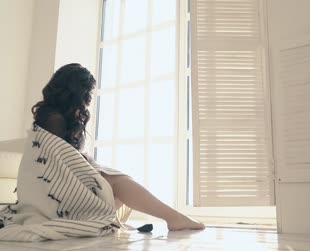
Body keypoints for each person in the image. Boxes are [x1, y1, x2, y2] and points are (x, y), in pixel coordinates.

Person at [31, 63, 205, 231]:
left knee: (116, 185)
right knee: (118, 182)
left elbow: (69, 156)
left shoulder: (66, 116)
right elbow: (56, 160)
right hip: (52, 187)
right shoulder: (51, 117)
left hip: (66, 181)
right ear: (73, 90)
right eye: (87, 92)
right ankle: (174, 218)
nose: (89, 98)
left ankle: (172, 217)